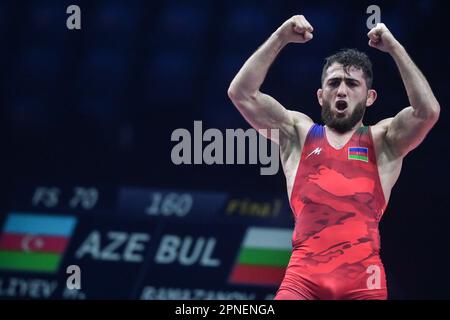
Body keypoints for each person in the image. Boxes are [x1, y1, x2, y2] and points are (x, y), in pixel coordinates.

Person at [227, 15, 440, 300]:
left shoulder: (384, 140)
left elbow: (428, 112)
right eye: (334, 83)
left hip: (364, 282)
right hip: (302, 281)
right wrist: (280, 36)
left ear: (370, 97)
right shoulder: (297, 134)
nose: (341, 90)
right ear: (320, 95)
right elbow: (241, 94)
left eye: (352, 84)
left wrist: (394, 48)